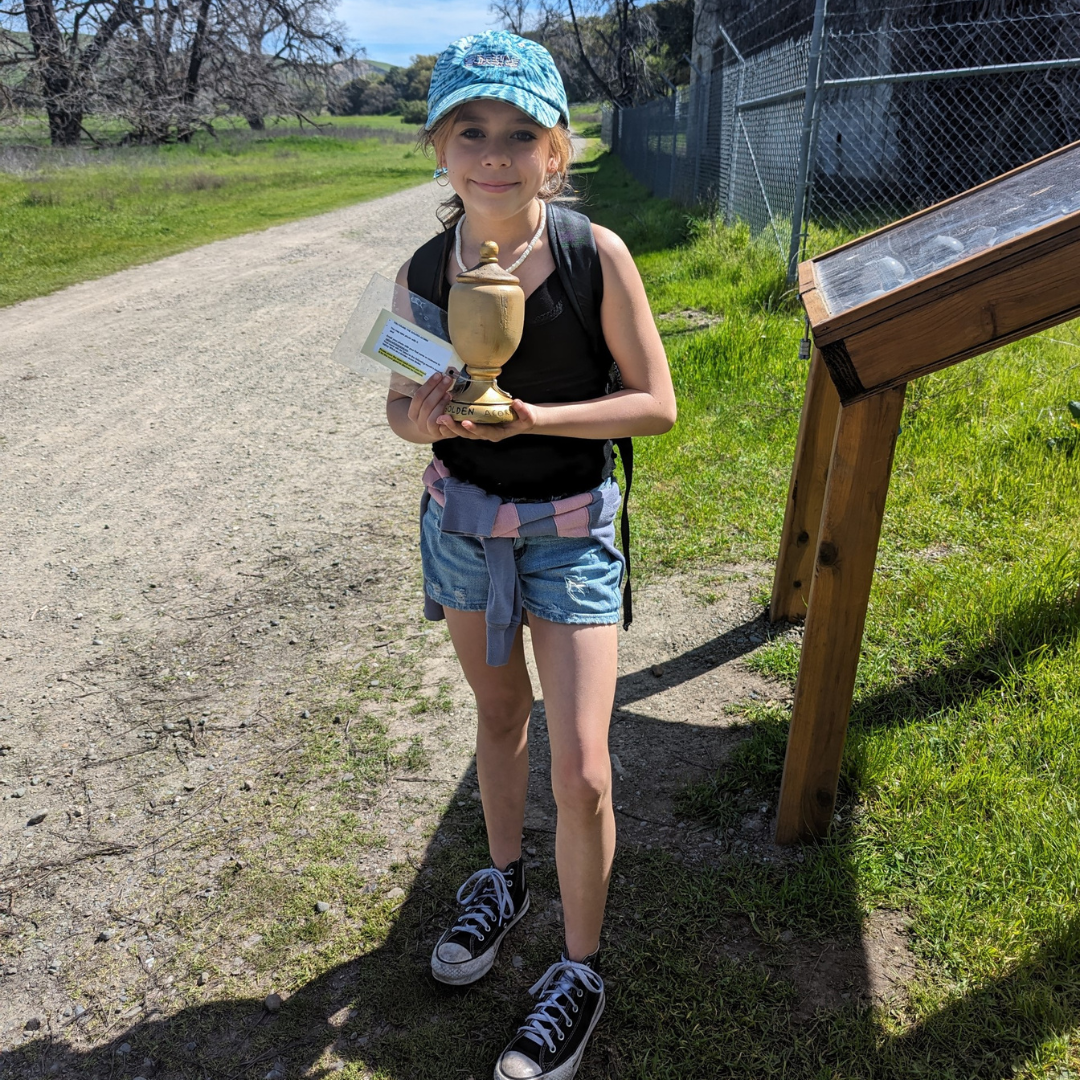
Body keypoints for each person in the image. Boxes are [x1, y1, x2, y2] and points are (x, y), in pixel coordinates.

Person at [386, 30, 676, 1080]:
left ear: (556, 150)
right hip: (464, 525)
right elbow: (397, 408)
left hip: (568, 529)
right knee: (499, 716)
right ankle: (502, 881)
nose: (495, 156)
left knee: (587, 771)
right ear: (438, 147)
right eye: (473, 131)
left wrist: (540, 418)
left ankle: (579, 969)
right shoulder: (427, 267)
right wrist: (426, 422)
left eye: (521, 134)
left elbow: (657, 404)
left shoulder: (597, 254)